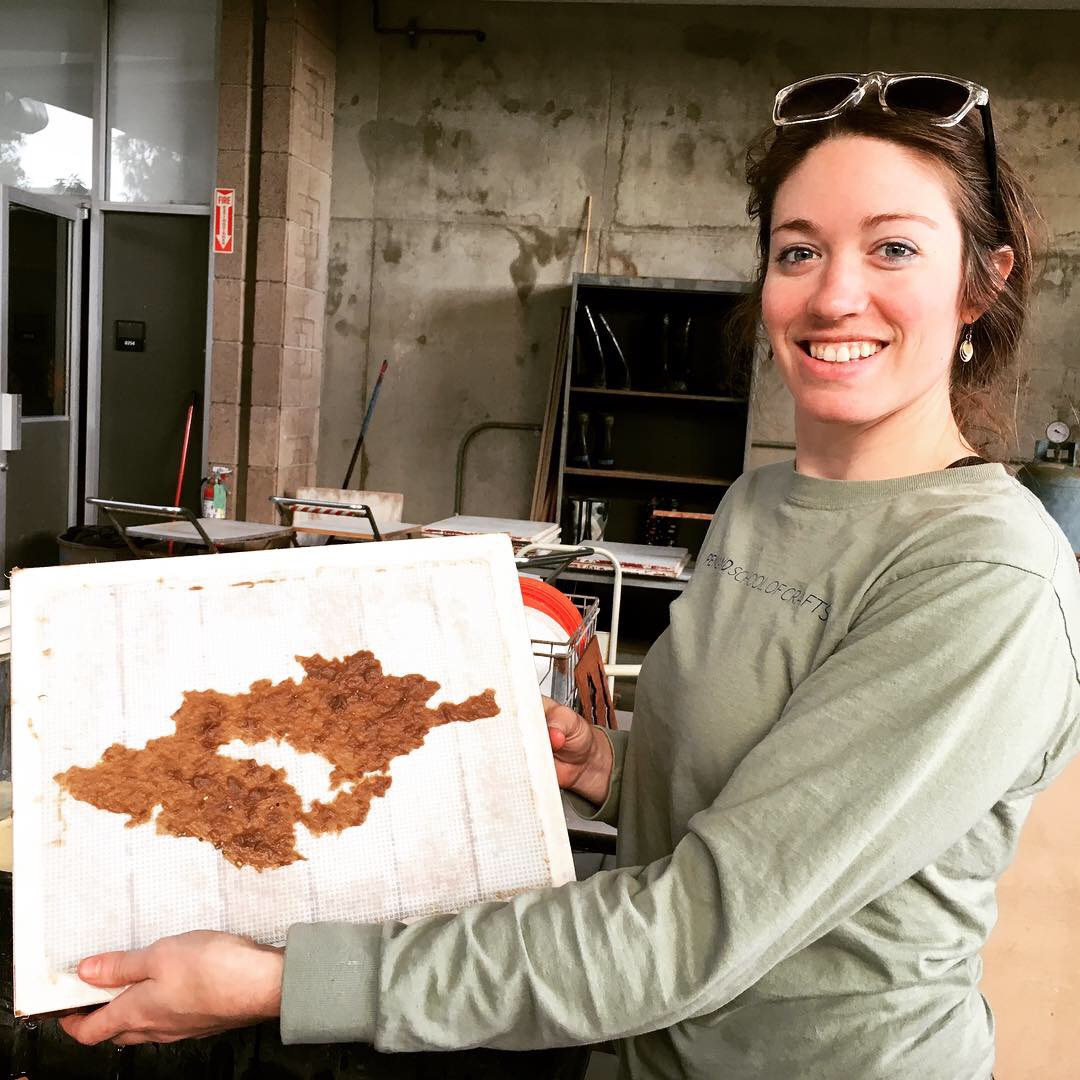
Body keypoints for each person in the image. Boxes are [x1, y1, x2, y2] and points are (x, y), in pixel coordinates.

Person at [61, 72, 1080, 1079]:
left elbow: (694, 930)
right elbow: (767, 784)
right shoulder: (762, 503)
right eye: (797, 250)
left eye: (893, 247)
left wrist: (285, 986)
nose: (834, 293)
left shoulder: (984, 575)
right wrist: (614, 764)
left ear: (981, 283)